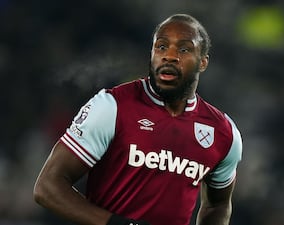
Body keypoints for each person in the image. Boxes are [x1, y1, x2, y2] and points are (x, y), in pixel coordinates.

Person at [33, 14, 242, 225]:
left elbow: (218, 204)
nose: (169, 56)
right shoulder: (112, 107)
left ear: (203, 62)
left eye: (184, 49)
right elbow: (48, 187)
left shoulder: (224, 133)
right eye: (161, 47)